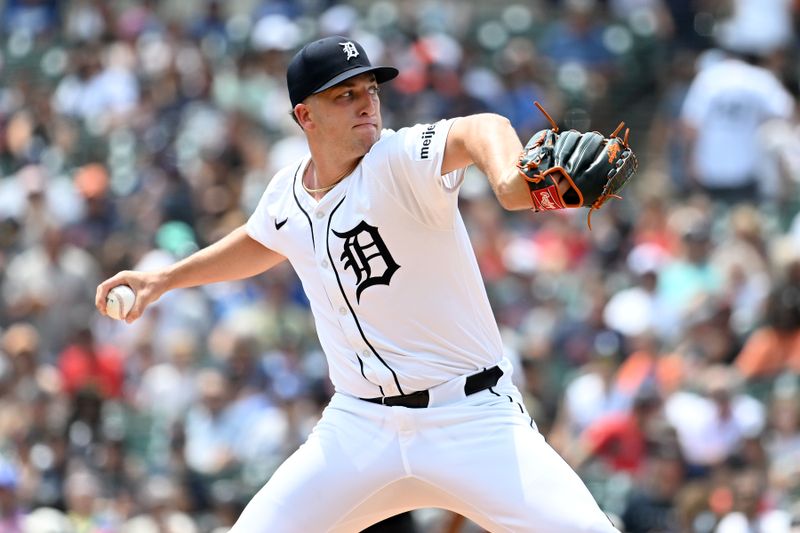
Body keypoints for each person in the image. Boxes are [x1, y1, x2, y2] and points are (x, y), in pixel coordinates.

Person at [96, 35, 619, 532]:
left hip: (472, 418)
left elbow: (478, 127)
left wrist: (508, 179)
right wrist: (163, 279)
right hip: (359, 428)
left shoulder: (397, 161)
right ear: (305, 115)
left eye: (370, 90)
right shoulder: (287, 193)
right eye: (345, 95)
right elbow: (262, 240)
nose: (366, 104)